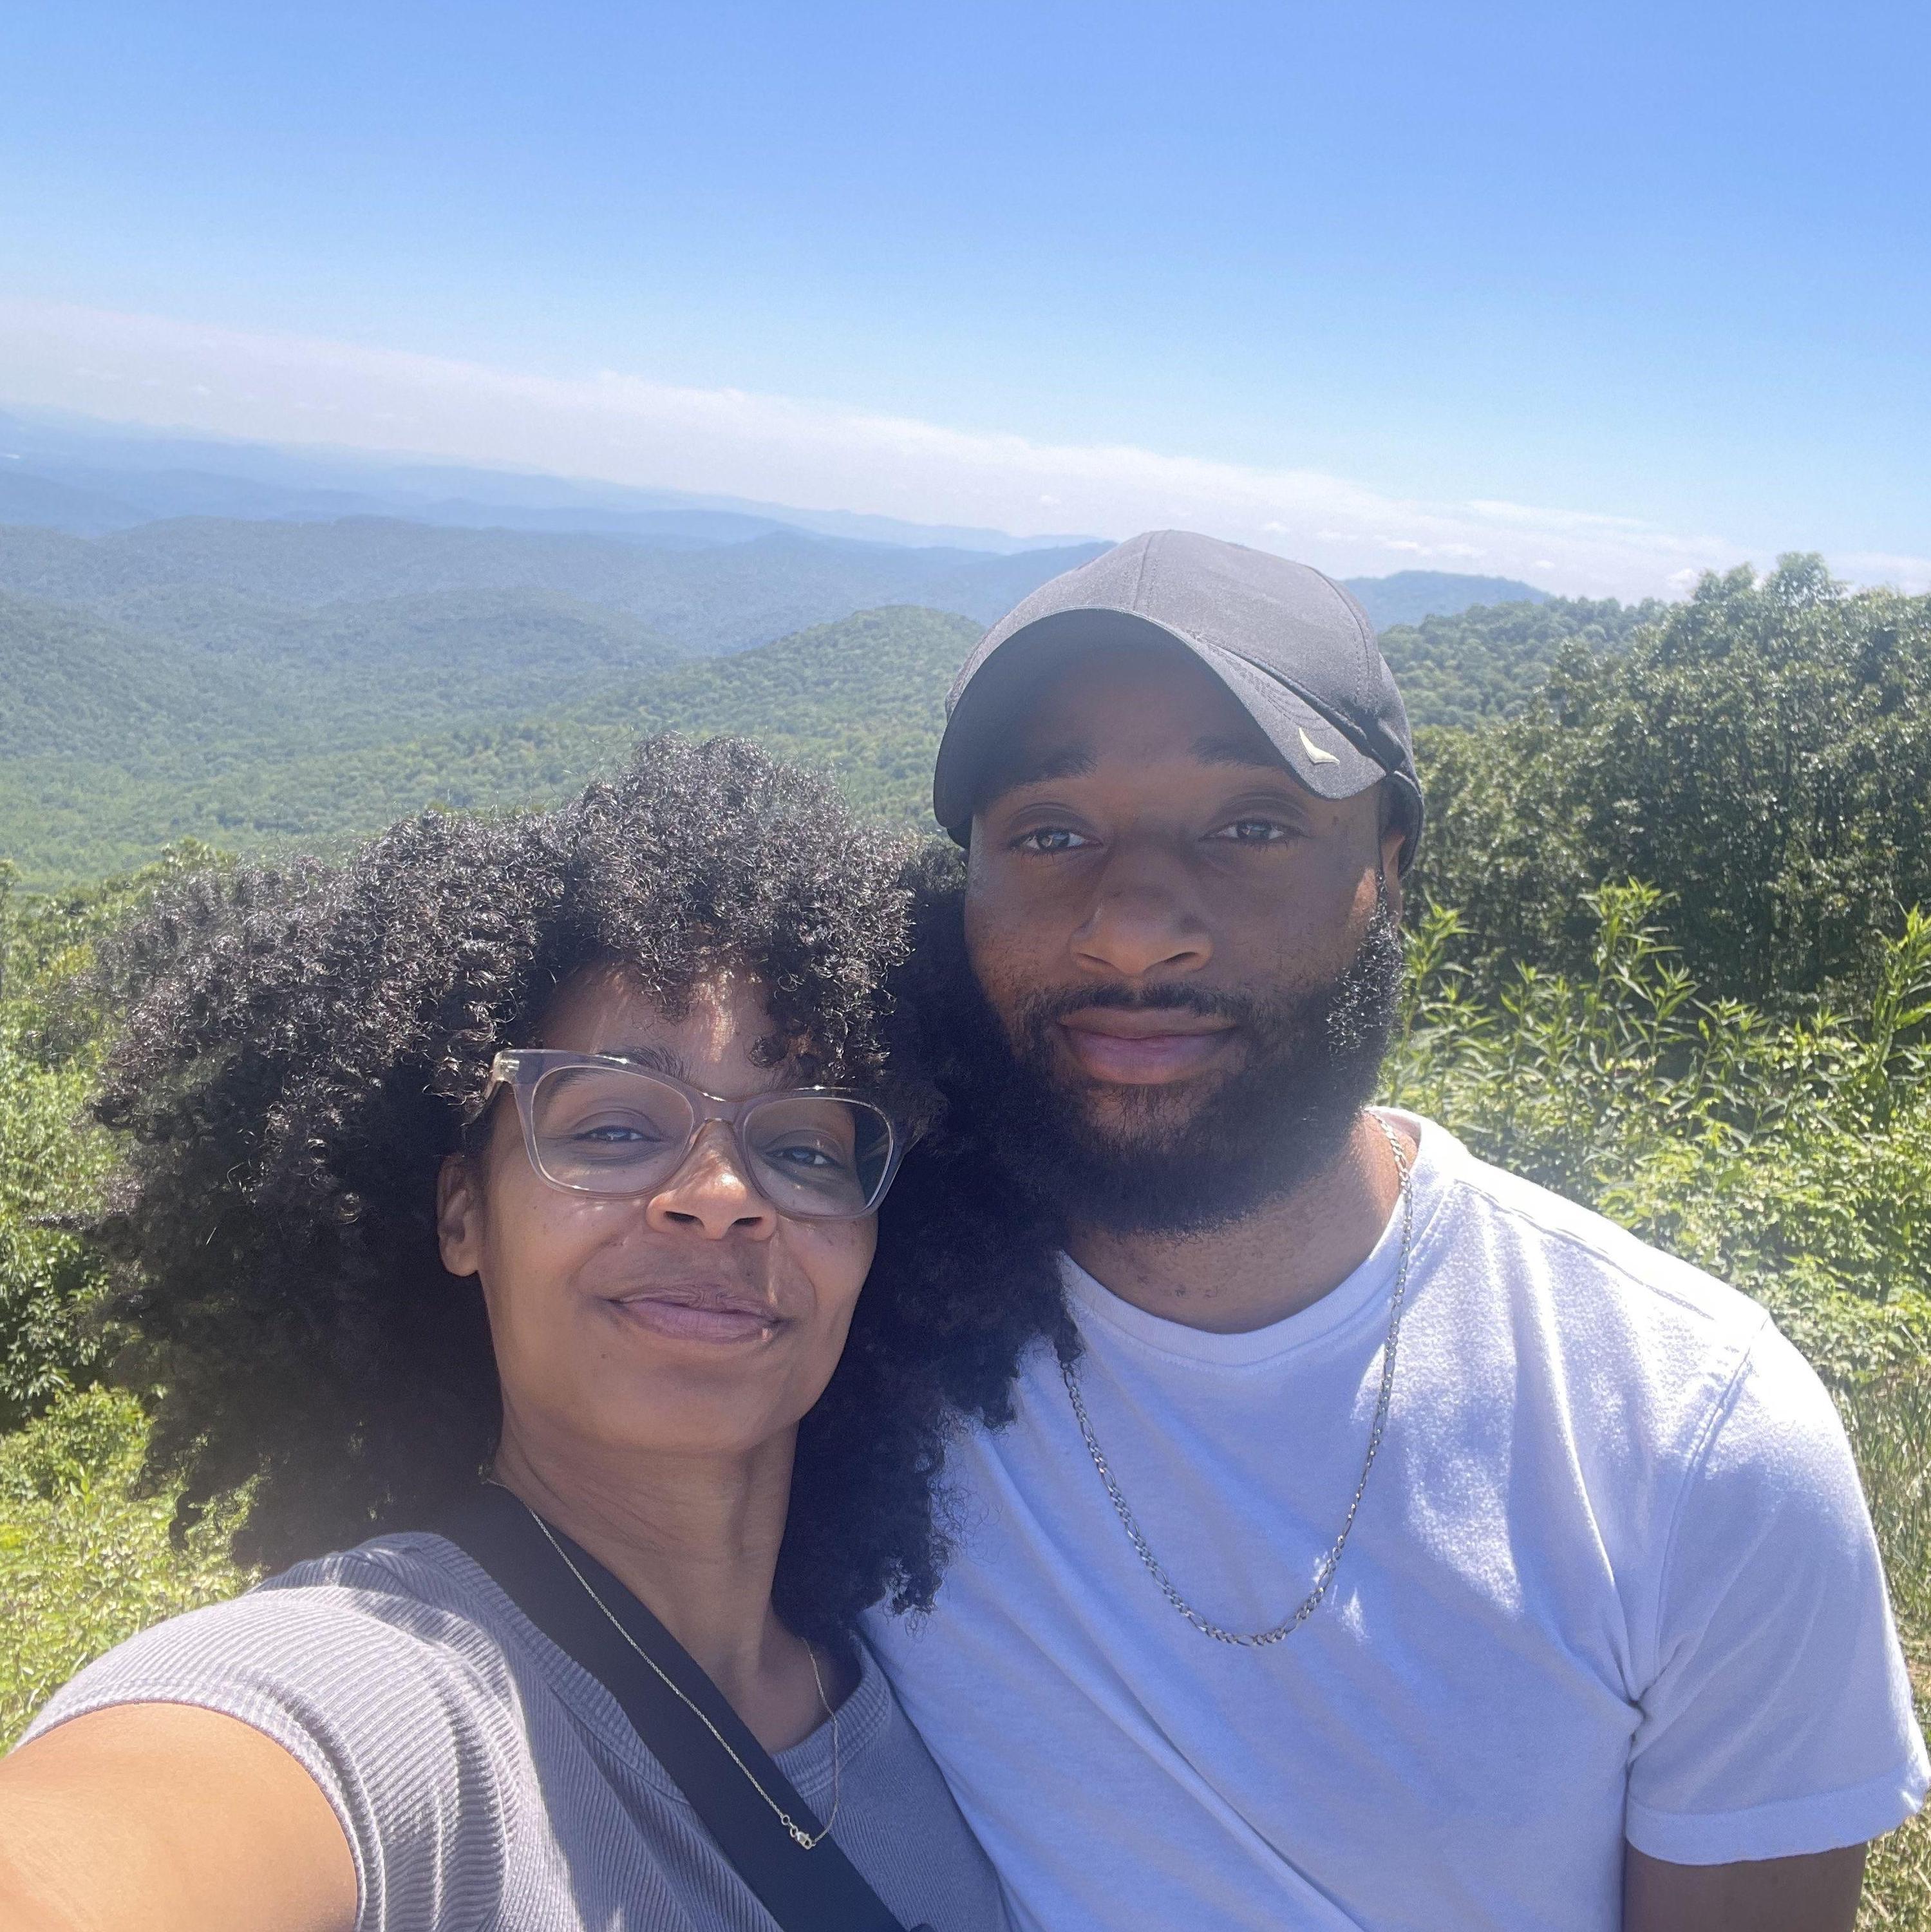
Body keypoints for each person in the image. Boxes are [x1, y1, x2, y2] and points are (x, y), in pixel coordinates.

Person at [865, 530, 1931, 1932]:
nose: (1132, 931)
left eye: (1252, 826)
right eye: (1049, 834)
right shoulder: (841, 1318)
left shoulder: (1691, 1440)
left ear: (1394, 865)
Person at [0, 737, 1012, 1932]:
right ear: (463, 1215)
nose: (722, 1195)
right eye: (614, 1127)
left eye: (802, 1147)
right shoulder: (380, 1698)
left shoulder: (942, 1694)